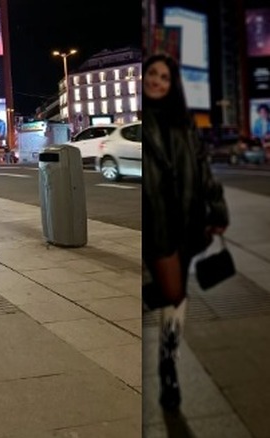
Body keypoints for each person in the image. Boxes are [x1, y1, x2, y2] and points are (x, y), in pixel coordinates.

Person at [142, 54, 229, 412]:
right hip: (158, 221)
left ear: (172, 83)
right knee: (174, 292)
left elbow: (203, 166)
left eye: (164, 76)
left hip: (189, 219)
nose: (157, 81)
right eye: (152, 74)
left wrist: (217, 208)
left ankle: (167, 360)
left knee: (175, 294)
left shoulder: (184, 122)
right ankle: (168, 367)